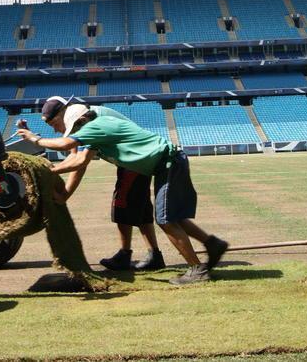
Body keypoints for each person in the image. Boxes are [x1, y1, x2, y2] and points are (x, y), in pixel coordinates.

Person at [19, 100, 227, 285]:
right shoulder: (95, 124)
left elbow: (69, 147)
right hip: (166, 163)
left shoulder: (97, 126)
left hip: (168, 163)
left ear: (81, 119)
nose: (75, 130)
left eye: (75, 126)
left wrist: (34, 140)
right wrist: (52, 171)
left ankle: (197, 270)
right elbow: (78, 160)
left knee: (165, 219)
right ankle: (213, 244)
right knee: (172, 217)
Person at [42, 97, 165, 271]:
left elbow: (80, 162)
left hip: (133, 161)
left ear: (64, 112)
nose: (55, 129)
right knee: (142, 209)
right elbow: (73, 156)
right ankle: (154, 255)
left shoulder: (91, 121)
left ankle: (125, 254)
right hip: (133, 161)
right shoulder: (82, 119)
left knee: (121, 204)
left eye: (54, 123)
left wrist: (63, 192)